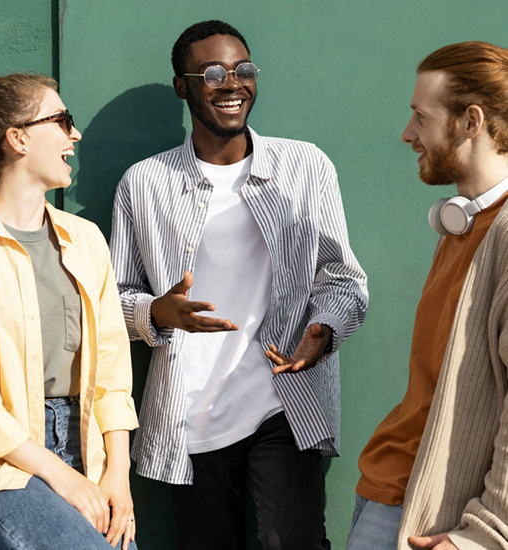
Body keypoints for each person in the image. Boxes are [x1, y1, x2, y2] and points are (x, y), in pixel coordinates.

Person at [110, 19, 368, 550]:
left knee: (290, 541)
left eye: (243, 69)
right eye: (212, 73)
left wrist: (324, 329)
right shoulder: (145, 183)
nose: (232, 83)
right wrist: (158, 313)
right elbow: (113, 301)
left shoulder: (305, 166)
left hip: (283, 399)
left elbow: (343, 278)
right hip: (190, 413)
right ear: (183, 86)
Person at [0, 74, 139, 550]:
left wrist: (117, 475)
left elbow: (113, 371)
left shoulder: (86, 239)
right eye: (62, 121)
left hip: (88, 447)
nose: (74, 135)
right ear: (18, 138)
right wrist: (61, 474)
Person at [347, 41, 508, 550]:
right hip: (391, 489)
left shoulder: (502, 234)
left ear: (470, 121)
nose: (407, 133)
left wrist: (482, 536)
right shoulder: (461, 227)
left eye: (421, 116)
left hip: (436, 515)